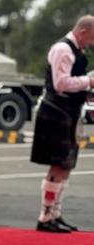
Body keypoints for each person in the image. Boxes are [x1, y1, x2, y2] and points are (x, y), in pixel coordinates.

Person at [30, 15, 94, 232]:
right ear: (83, 32)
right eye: (92, 38)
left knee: (66, 164)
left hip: (69, 112)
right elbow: (61, 83)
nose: (92, 43)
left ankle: (56, 213)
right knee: (57, 164)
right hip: (56, 111)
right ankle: (45, 216)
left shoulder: (76, 50)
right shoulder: (62, 49)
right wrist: (89, 80)